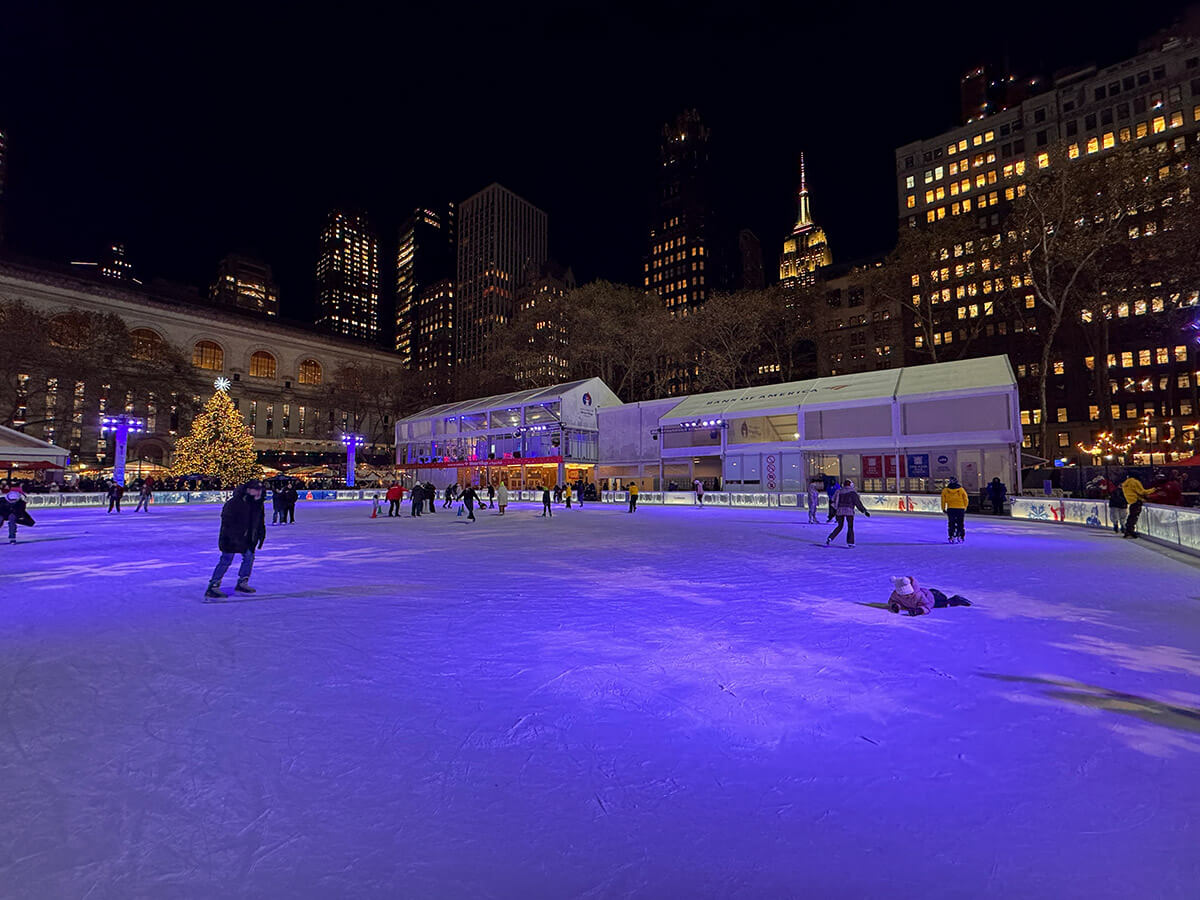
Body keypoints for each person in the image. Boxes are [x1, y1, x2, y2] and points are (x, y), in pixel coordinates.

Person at [205, 479, 266, 600]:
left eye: (260, 490)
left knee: (249, 558)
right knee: (226, 560)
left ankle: (242, 582)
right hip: (231, 538)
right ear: (248, 490)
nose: (259, 492)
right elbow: (227, 521)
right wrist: (232, 536)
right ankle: (213, 585)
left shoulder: (258, 504)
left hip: (248, 538)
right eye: (256, 490)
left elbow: (259, 521)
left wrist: (260, 534)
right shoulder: (235, 502)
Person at [888, 576, 972, 616]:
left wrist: (919, 611)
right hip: (926, 593)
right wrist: (895, 606)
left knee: (944, 603)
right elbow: (892, 601)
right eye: (904, 595)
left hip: (934, 598)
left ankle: (956, 599)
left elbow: (927, 605)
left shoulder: (917, 595)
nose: (906, 596)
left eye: (909, 594)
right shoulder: (896, 594)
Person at [826, 479, 869, 546]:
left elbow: (833, 500)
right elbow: (858, 503)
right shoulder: (852, 492)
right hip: (849, 511)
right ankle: (850, 542)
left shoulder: (839, 491)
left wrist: (833, 513)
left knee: (840, 526)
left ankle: (830, 537)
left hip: (839, 511)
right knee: (850, 527)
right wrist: (864, 511)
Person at [941, 477, 969, 543]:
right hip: (960, 508)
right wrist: (965, 507)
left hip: (951, 508)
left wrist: (943, 508)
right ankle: (961, 536)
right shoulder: (961, 489)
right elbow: (966, 499)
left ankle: (951, 536)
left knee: (951, 523)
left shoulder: (945, 490)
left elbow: (943, 500)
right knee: (960, 523)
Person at [1122, 474, 1150, 538]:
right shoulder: (1135, 482)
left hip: (1131, 501)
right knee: (1134, 516)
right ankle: (1130, 531)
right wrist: (1153, 489)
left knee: (1131, 516)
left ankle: (1128, 530)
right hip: (1136, 502)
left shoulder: (1126, 483)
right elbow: (1142, 492)